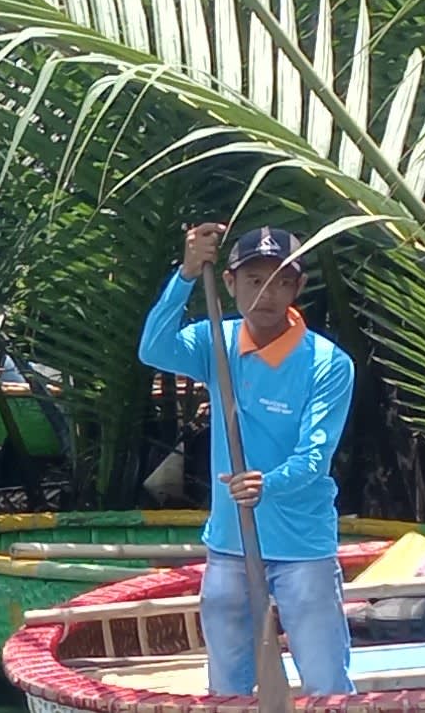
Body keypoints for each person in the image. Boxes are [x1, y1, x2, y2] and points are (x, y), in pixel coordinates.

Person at [140, 223, 355, 697]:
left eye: (281, 281)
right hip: (230, 543)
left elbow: (314, 457)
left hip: (302, 547)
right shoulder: (215, 342)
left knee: (326, 685)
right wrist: (187, 274)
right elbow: (153, 348)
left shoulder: (328, 363)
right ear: (231, 283)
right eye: (255, 280)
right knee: (228, 689)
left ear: (298, 287)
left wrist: (266, 484)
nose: (267, 294)